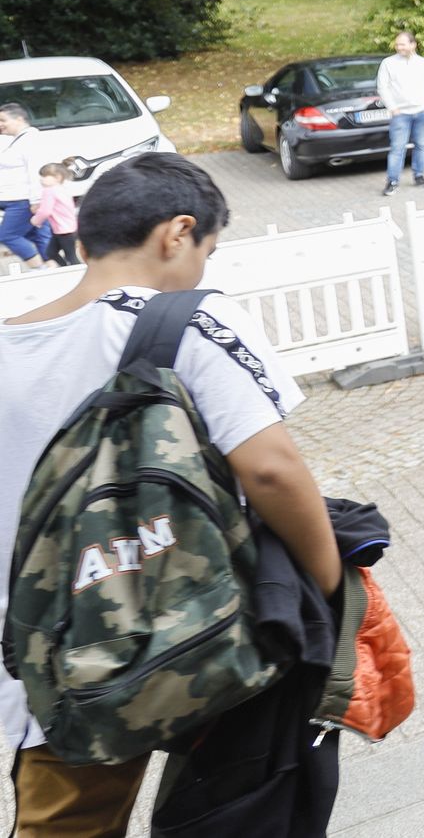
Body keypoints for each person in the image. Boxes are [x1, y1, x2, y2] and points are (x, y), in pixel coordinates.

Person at [2, 153, 341, 837]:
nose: (201, 271)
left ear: (86, 240)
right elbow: (271, 470)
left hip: (66, 658)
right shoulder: (190, 320)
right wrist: (329, 588)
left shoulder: (8, 348)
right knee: (241, 805)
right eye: (206, 253)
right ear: (177, 232)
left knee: (66, 826)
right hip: (206, 625)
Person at [376, 30, 424, 195]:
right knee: (397, 148)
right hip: (400, 114)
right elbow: (382, 87)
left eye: (402, 44)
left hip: (421, 112)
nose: (399, 47)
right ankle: (392, 181)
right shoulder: (388, 63)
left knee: (421, 145)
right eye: (397, 44)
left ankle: (419, 175)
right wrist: (393, 108)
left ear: (413, 45)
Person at [0, 103, 52, 267]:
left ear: (19, 119)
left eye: (3, 120)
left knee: (8, 236)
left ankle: (39, 269)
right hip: (15, 198)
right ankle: (54, 269)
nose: (0, 124)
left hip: (22, 199)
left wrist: (36, 200)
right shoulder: (17, 140)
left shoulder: (30, 140)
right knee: (38, 237)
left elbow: (35, 172)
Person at [28, 164, 77, 268]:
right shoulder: (61, 189)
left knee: (70, 257)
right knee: (51, 252)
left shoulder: (49, 191)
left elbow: (45, 211)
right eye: (41, 177)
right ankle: (66, 269)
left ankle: (74, 271)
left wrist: (35, 221)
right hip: (66, 228)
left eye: (45, 176)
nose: (41, 179)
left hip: (63, 230)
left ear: (57, 177)